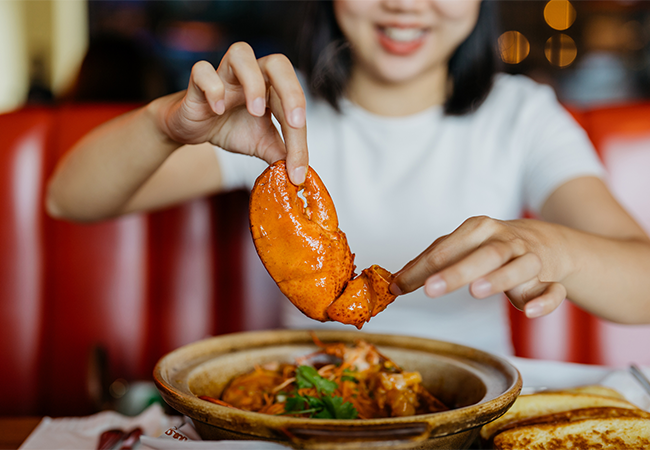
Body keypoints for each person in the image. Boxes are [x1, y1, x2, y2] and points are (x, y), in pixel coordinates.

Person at [46, 1, 650, 355]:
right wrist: (164, 124)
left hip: (474, 408)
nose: (406, 6)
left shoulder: (521, 116)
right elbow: (67, 197)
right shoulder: (274, 114)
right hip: (310, 404)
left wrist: (554, 248)